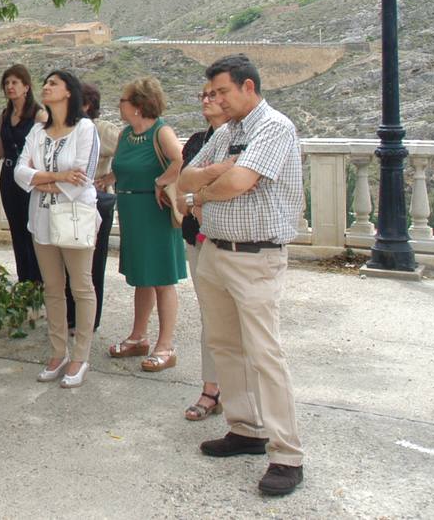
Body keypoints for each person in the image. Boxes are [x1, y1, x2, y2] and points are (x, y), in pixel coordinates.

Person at [178, 54, 305, 497]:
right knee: (225, 345)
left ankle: (287, 454)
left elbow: (240, 183)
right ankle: (245, 427)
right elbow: (184, 177)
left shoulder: (274, 127)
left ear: (248, 87)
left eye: (221, 92)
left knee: (264, 354)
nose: (214, 100)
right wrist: (213, 177)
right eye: (210, 93)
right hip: (215, 252)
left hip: (256, 257)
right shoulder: (228, 133)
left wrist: (202, 194)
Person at [14, 70, 100, 389]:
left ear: (68, 93)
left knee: (80, 287)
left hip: (74, 217)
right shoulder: (38, 130)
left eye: (53, 84)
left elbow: (82, 176)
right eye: (46, 82)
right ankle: (58, 351)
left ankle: (80, 356)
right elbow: (20, 172)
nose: (46, 87)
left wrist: (43, 180)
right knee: (52, 287)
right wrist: (58, 177)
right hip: (41, 220)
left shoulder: (84, 128)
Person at [104, 77, 187, 372]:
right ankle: (138, 337)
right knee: (142, 277)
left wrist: (161, 181)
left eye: (123, 100)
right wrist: (109, 180)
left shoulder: (161, 131)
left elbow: (180, 160)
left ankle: (165, 346)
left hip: (155, 211)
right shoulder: (127, 134)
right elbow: (125, 167)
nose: (120, 105)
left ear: (138, 105)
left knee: (163, 279)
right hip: (131, 210)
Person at [178, 82, 226, 422]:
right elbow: (184, 187)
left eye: (214, 94)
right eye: (203, 96)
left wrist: (200, 193)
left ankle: (241, 392)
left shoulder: (244, 140)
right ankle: (211, 388)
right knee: (210, 315)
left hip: (232, 238)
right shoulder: (197, 142)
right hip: (197, 238)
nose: (207, 101)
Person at [0, 64, 43, 285]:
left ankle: (38, 281)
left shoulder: (38, 115)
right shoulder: (5, 115)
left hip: (30, 179)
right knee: (17, 231)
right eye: (7, 83)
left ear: (26, 87)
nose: (10, 87)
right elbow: (0, 151)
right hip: (8, 177)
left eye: (15, 82)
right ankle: (24, 282)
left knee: (33, 230)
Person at [74, 82, 118, 336]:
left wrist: (110, 177)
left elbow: (128, 150)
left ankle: (91, 320)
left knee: (93, 264)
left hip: (97, 202)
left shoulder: (102, 129)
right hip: (72, 203)